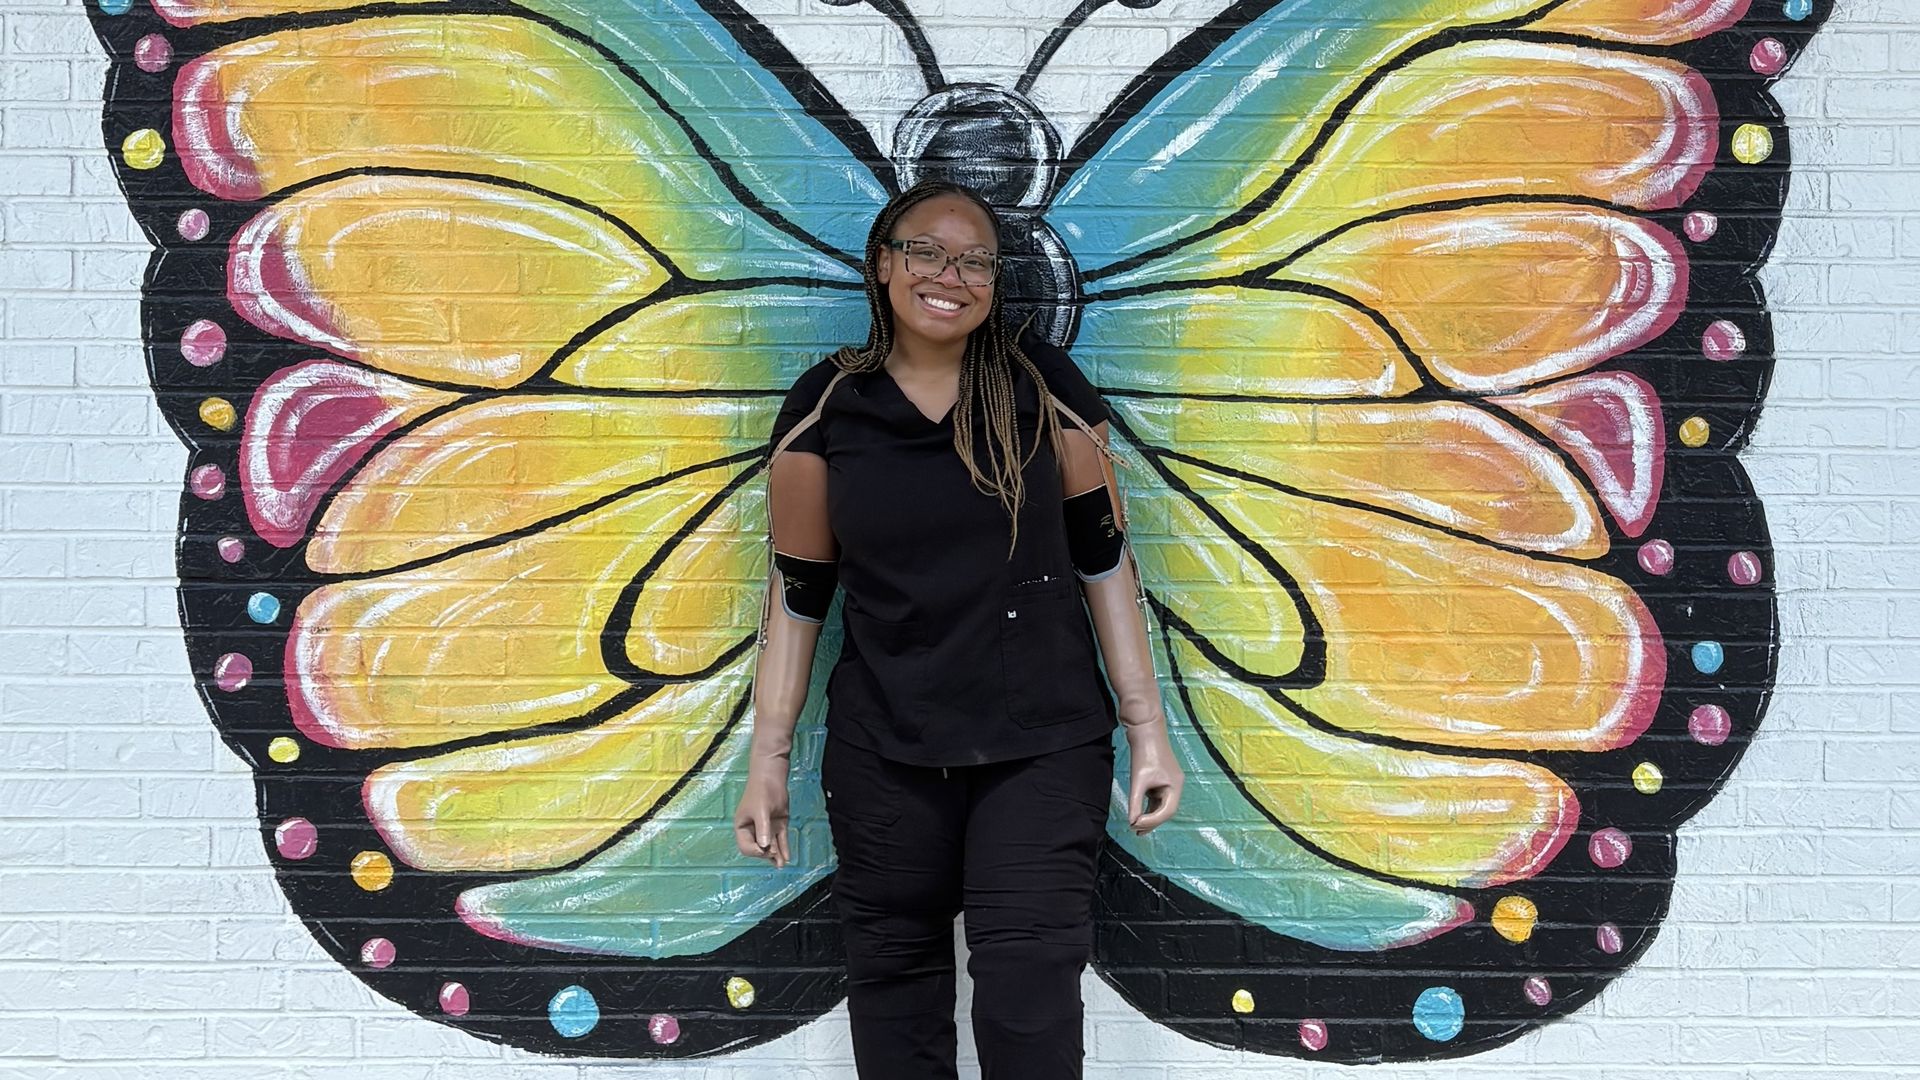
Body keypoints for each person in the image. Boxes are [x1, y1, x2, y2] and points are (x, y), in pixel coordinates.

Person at [733, 177, 1183, 1079]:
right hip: (885, 750)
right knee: (895, 997)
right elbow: (799, 594)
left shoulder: (1041, 387)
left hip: (1042, 747)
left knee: (1028, 996)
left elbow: (1104, 559)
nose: (952, 274)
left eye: (976, 259)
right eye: (927, 251)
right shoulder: (826, 406)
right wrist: (768, 760)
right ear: (881, 265)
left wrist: (1148, 733)